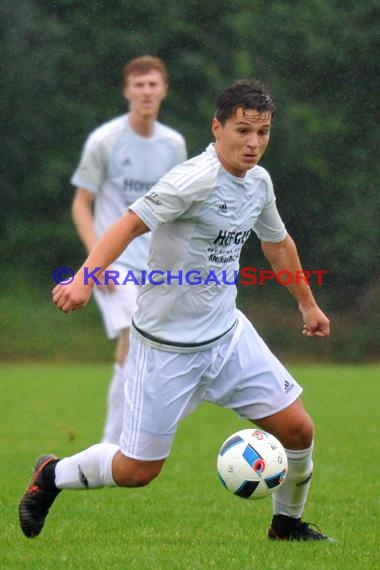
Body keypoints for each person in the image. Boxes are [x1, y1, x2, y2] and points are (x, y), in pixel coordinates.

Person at [19, 79, 332, 542]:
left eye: (262, 132)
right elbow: (127, 224)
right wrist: (84, 278)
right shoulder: (193, 179)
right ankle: (51, 474)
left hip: (227, 337)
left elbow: (277, 243)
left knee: (298, 429)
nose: (253, 143)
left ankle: (286, 526)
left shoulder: (258, 183)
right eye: (243, 130)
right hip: (167, 348)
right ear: (217, 127)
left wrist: (307, 303)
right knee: (136, 470)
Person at [70, 55, 187, 444]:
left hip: (156, 266)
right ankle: (111, 442)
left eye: (153, 84)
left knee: (154, 348)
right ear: (127, 91)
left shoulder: (174, 144)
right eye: (139, 85)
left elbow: (178, 209)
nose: (146, 92)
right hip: (114, 263)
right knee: (133, 338)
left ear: (164, 89)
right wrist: (94, 264)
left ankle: (133, 435)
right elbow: (80, 204)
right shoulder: (105, 141)